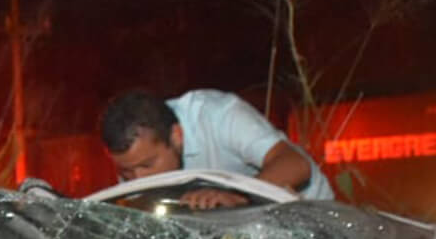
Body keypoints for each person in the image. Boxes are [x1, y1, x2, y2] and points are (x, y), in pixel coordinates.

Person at [100, 89, 334, 208]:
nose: (138, 180)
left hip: (308, 212)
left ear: (176, 136)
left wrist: (236, 194)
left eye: (148, 165)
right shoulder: (134, 163)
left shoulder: (220, 114)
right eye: (127, 172)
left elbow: (296, 164)